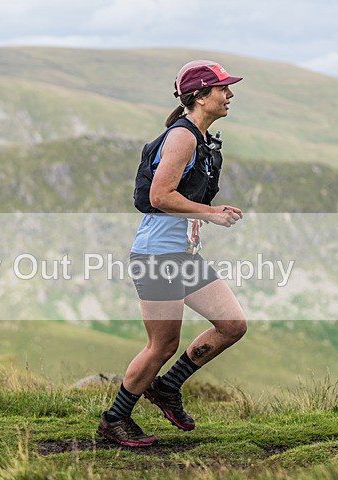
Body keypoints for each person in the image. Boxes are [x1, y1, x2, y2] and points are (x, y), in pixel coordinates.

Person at [98, 60, 247, 447]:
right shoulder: (182, 137)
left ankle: (167, 388)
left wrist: (206, 215)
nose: (229, 94)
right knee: (161, 345)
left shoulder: (200, 138)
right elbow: (159, 196)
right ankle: (115, 419)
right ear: (200, 96)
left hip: (183, 256)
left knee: (232, 325)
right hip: (158, 257)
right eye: (223, 89)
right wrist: (211, 213)